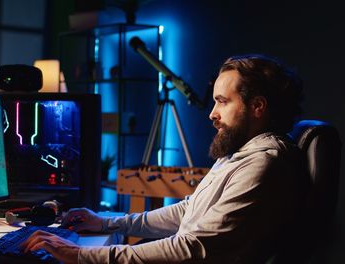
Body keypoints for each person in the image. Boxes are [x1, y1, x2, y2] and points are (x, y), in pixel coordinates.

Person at [20, 54, 306, 263]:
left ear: (257, 107)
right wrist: (108, 223)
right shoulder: (241, 154)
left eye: (223, 101)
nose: (212, 114)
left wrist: (81, 255)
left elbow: (191, 249)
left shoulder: (263, 164)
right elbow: (188, 211)